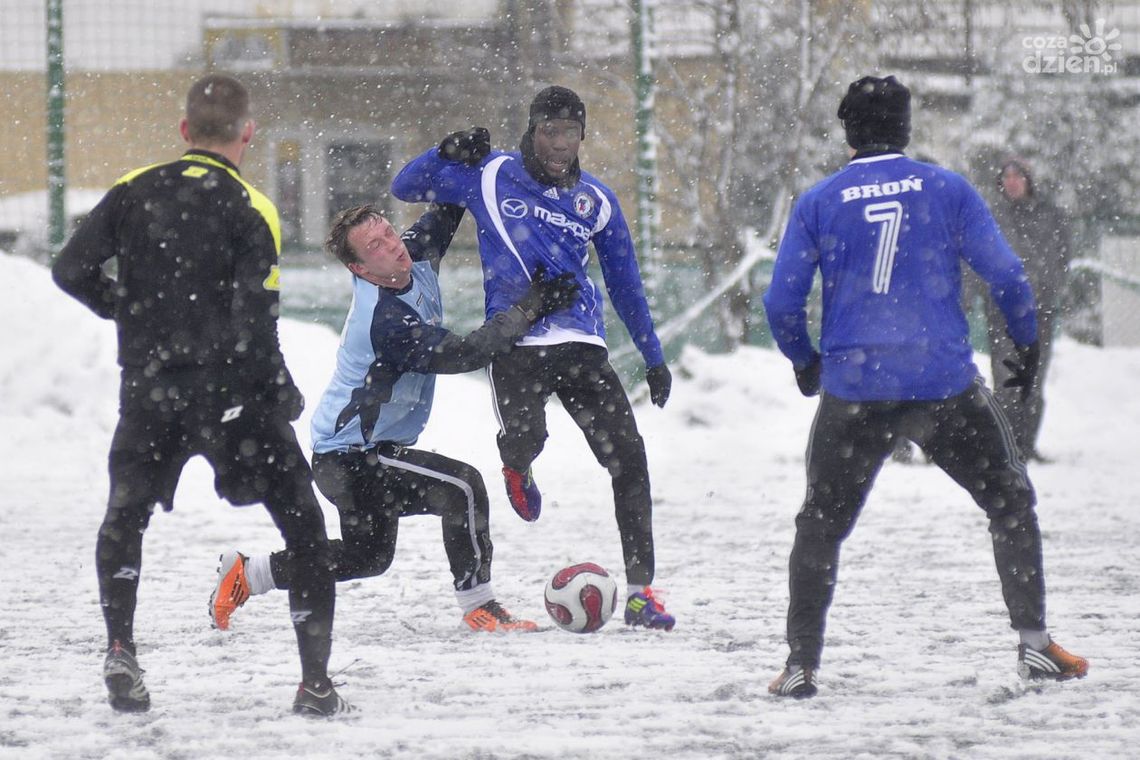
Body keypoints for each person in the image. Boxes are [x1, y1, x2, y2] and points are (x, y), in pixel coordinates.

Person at [761, 75, 1088, 698]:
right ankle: (1035, 646)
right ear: (906, 128)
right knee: (1010, 503)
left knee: (820, 526)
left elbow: (781, 302)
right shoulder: (947, 189)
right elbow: (1011, 278)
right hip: (943, 386)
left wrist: (806, 362)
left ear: (848, 130)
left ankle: (801, 664)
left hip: (855, 388)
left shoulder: (819, 201)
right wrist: (1024, 344)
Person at [51, 74, 350, 716]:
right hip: (231, 397)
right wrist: (278, 388)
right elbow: (254, 315)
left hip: (151, 392)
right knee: (303, 524)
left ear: (185, 132)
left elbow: (69, 269)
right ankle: (315, 685)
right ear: (247, 133)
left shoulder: (133, 192)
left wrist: (128, 312)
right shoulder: (251, 206)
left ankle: (121, 645)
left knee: (124, 517)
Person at [208, 202, 579, 633]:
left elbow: (448, 207)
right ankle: (481, 606)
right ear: (360, 269)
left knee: (367, 557)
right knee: (462, 486)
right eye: (375, 246)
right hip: (350, 458)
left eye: (387, 231)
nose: (392, 246)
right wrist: (529, 307)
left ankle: (249, 573)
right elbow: (466, 354)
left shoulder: (412, 252)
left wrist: (457, 158)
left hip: (349, 455)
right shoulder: (386, 321)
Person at [390, 86, 676, 630]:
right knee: (528, 439)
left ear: (582, 136)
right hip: (515, 344)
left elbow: (626, 284)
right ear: (532, 130)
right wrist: (445, 152)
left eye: (570, 133)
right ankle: (517, 466)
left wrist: (653, 356)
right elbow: (404, 184)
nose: (559, 144)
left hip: (581, 344)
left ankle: (641, 595)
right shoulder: (491, 174)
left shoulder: (598, 200)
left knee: (628, 460)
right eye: (550, 132)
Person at [983, 157, 1073, 462]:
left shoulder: (1051, 217)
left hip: (1039, 312)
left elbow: (1061, 257)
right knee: (1006, 381)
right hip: (1002, 313)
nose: (1012, 181)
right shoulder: (992, 218)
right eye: (1006, 176)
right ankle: (1005, 447)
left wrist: (1048, 287)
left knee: (1032, 381)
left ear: (1028, 180)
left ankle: (1025, 445)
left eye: (1017, 175)